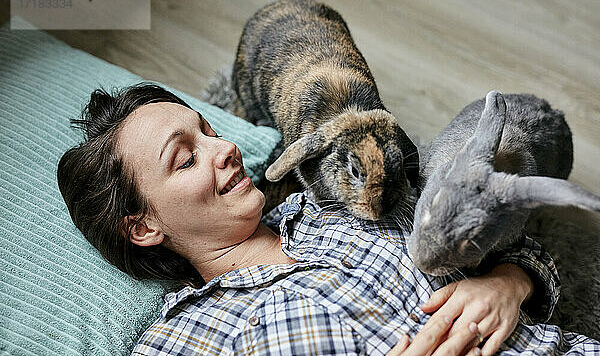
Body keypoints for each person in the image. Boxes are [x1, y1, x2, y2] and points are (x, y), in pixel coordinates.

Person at [57, 84, 599, 356]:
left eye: (208, 131)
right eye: (185, 157)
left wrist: (507, 283)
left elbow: (495, 231)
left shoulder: (345, 199)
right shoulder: (183, 340)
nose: (223, 148)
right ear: (144, 226)